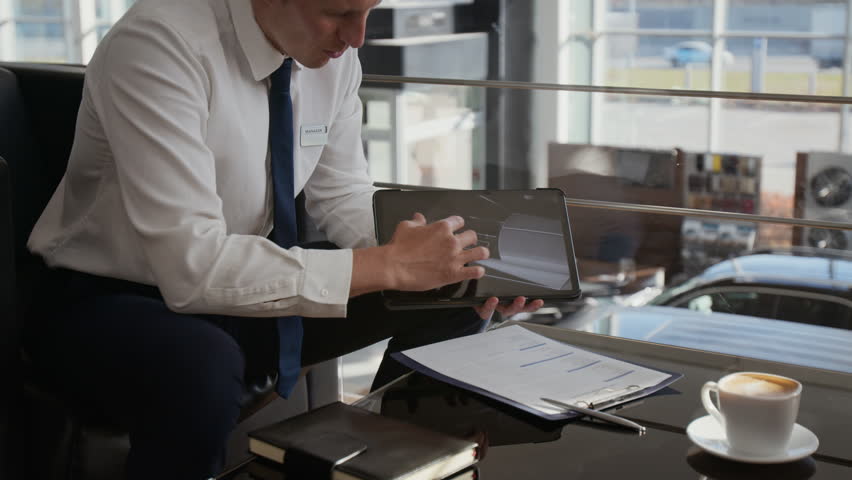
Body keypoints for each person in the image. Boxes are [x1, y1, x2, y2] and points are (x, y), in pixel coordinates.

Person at [23, 0, 543, 479]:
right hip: (107, 299)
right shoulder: (157, 45)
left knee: (445, 288)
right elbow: (193, 267)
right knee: (201, 364)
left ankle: (398, 464)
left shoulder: (330, 57)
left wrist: (463, 264)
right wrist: (388, 267)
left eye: (369, 10)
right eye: (338, 11)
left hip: (241, 286)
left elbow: (342, 195)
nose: (357, 36)